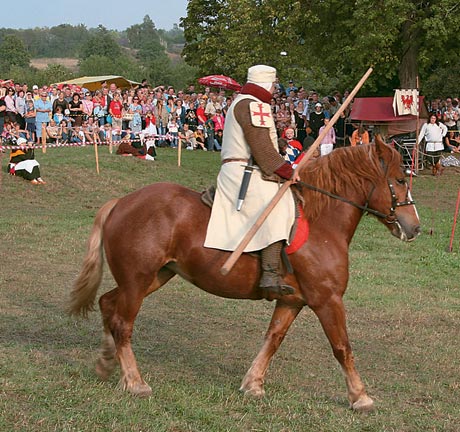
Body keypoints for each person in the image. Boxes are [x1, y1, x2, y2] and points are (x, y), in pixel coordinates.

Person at [204, 65, 298, 297]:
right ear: (267, 83)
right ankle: (269, 273)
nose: (275, 87)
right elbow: (263, 151)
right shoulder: (253, 105)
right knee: (278, 206)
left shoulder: (243, 101)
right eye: (274, 83)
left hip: (244, 168)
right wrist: (288, 171)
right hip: (244, 172)